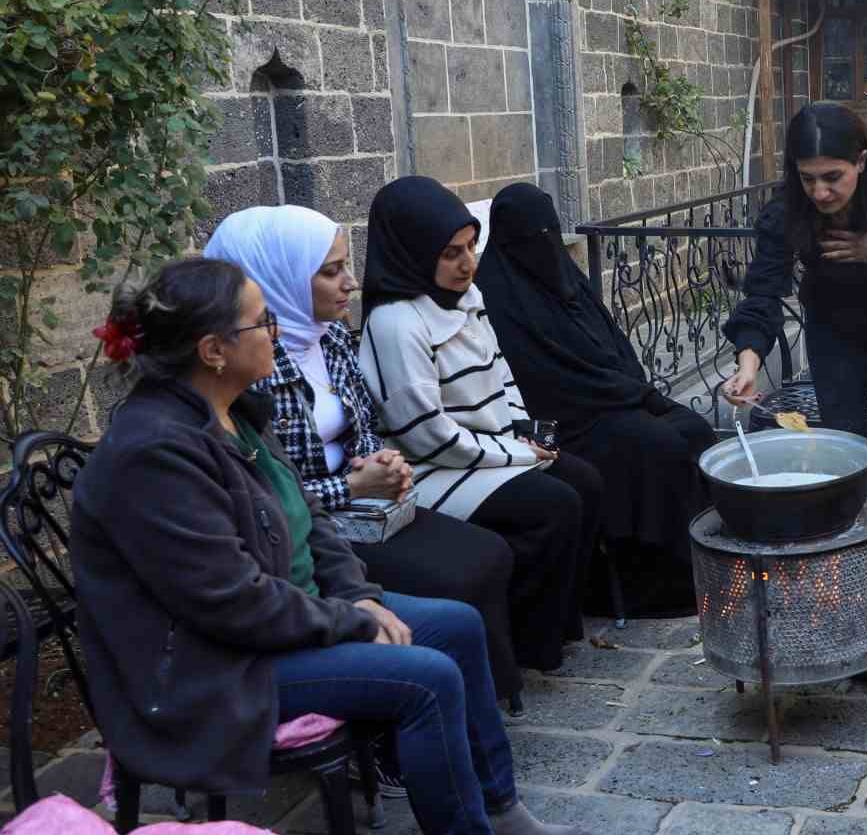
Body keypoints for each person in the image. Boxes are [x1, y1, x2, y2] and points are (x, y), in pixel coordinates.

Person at [71, 258, 587, 835]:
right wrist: (350, 618)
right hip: (211, 668)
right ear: (213, 350)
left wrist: (358, 594)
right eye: (263, 321)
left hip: (280, 624)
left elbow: (309, 525)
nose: (278, 332)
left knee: (456, 626)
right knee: (424, 678)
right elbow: (228, 602)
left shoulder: (233, 411)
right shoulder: (154, 452)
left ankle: (496, 807)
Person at [203, 205, 528, 717]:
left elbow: (363, 418)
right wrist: (353, 489)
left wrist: (379, 459)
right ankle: (407, 715)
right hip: (316, 524)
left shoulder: (329, 336)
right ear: (280, 278)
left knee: (487, 553)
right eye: (330, 271)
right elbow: (271, 491)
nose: (350, 283)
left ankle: (477, 703)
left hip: (366, 505)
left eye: (346, 266)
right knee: (454, 576)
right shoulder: (250, 366)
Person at [358, 176, 604, 673]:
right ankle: (521, 642)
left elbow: (501, 371)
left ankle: (551, 627)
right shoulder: (396, 323)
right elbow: (429, 435)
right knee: (551, 505)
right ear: (413, 250)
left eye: (471, 246)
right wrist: (516, 454)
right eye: (450, 252)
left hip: (490, 450)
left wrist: (523, 428)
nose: (467, 263)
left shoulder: (468, 298)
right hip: (433, 470)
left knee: (584, 480)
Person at [476, 183, 714, 618]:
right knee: (654, 444)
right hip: (568, 419)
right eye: (535, 236)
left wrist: (635, 390)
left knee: (694, 429)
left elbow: (612, 345)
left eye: (552, 231)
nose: (546, 244)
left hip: (613, 396)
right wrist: (632, 396)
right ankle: (651, 580)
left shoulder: (565, 277)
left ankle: (704, 561)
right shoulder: (497, 296)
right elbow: (547, 379)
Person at [721, 103, 867, 536]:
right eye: (808, 178)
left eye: (833, 177)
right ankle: (849, 548)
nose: (820, 193)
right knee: (843, 441)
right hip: (835, 329)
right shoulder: (787, 209)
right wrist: (749, 363)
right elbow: (764, 288)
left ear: (861, 162)